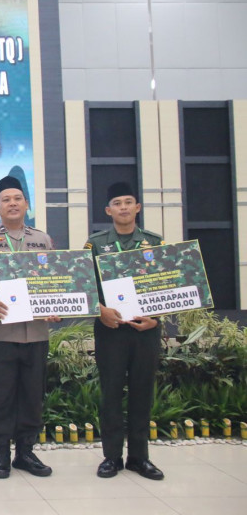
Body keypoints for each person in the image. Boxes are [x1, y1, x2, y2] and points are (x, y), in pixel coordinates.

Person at [0, 176, 59, 479]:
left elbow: (57, 281)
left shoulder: (42, 240)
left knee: (32, 395)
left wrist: (56, 305)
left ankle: (26, 453)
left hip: (35, 334)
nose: (13, 203)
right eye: (6, 199)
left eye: (18, 198)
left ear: (26, 204)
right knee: (0, 395)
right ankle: (1, 454)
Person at [84, 182, 165, 481]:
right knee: (111, 394)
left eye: (128, 202)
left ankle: (139, 458)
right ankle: (112, 457)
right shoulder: (95, 244)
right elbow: (83, 284)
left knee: (143, 393)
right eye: (117, 203)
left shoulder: (153, 242)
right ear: (108, 210)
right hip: (111, 329)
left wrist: (156, 318)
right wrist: (100, 310)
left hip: (145, 330)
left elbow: (167, 284)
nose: (123, 207)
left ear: (138, 207)